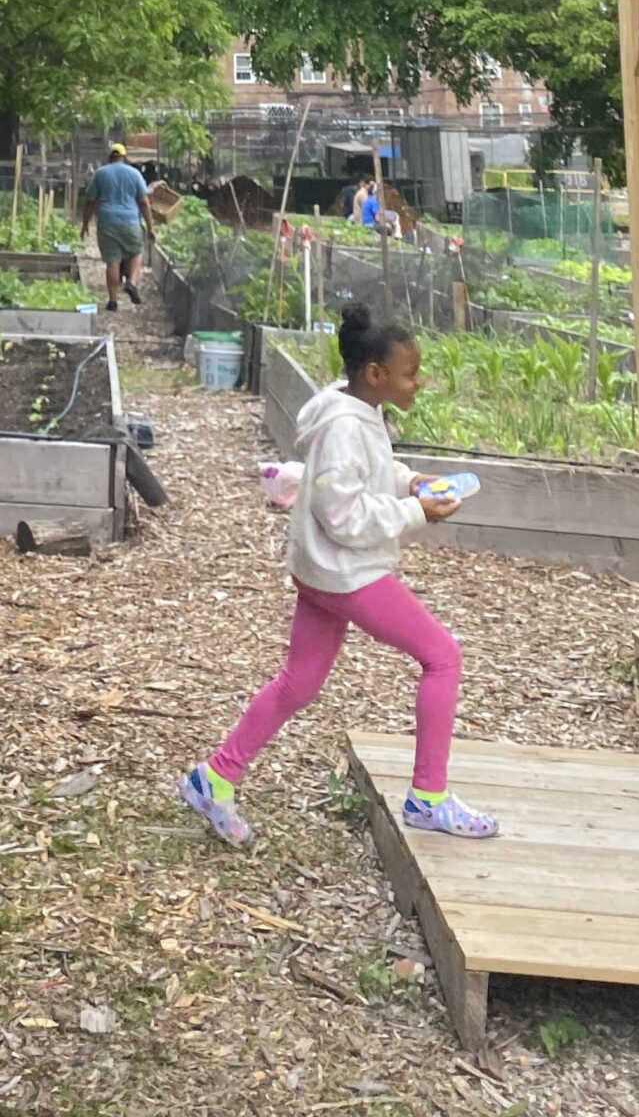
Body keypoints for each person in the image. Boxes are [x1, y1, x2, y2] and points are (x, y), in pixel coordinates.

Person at [179, 303, 498, 847]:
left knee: (298, 683)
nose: (418, 382)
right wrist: (419, 512)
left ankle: (214, 777)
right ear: (376, 374)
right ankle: (429, 797)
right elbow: (344, 516)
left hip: (322, 571)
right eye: (410, 373)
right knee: (443, 656)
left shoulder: (349, 406)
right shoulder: (345, 428)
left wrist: (410, 480)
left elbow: (366, 474)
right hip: (347, 573)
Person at [80, 143, 154, 310]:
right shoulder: (134, 174)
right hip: (130, 222)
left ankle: (113, 301)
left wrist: (85, 224)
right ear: (124, 157)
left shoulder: (100, 174)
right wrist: (150, 227)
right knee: (136, 252)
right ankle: (132, 283)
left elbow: (90, 201)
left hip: (107, 222)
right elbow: (143, 202)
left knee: (112, 261)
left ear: (110, 156)